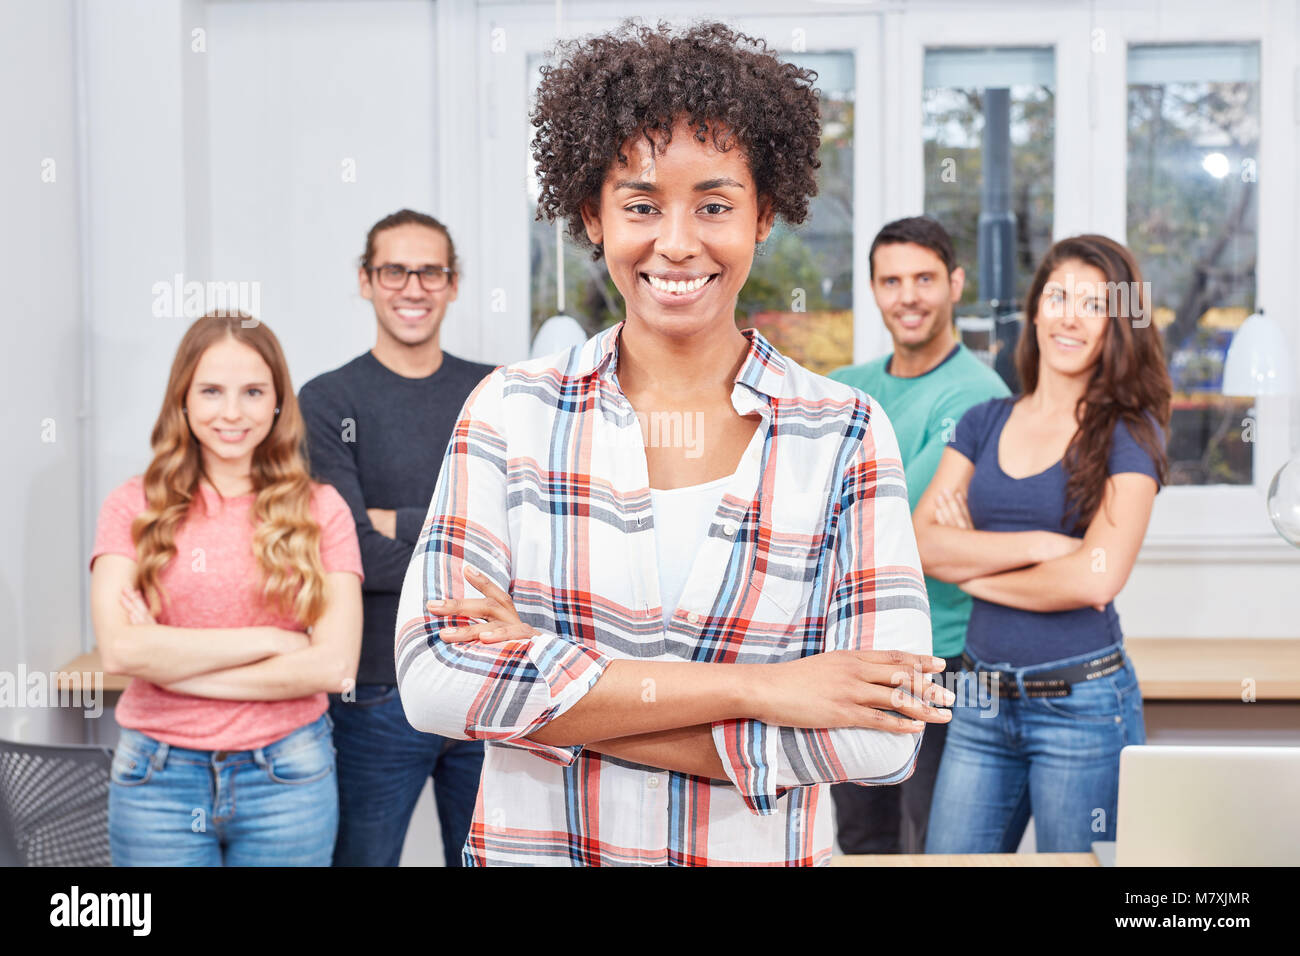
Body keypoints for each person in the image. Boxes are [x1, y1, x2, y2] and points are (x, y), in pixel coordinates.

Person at [393, 20, 953, 867]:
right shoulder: (510, 412)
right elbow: (435, 680)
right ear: (594, 214)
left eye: (716, 205)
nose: (678, 241)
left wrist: (550, 709)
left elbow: (884, 735)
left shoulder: (842, 433)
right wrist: (766, 689)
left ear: (765, 215)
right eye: (643, 204)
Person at [915, 234, 1171, 853]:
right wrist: (1045, 544)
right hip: (977, 700)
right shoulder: (984, 422)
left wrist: (971, 569)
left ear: (1115, 325)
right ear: (1035, 310)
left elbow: (1095, 579)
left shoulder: (1129, 433)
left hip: (1081, 704)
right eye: (1058, 295)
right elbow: (923, 542)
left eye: (1092, 303)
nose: (1069, 315)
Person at [90, 313, 363, 866]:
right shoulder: (131, 506)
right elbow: (120, 651)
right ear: (182, 400)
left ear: (278, 403)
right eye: (212, 391)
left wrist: (169, 661)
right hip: (156, 780)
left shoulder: (321, 508)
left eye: (253, 392)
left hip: (288, 775)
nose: (232, 412)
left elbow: (334, 668)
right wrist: (273, 639)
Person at [298, 210, 495, 867]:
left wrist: (395, 521)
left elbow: (513, 552)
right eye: (394, 271)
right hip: (376, 692)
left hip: (486, 683)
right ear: (365, 280)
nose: (413, 287)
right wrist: (450, 540)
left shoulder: (492, 394)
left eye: (430, 271)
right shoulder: (327, 401)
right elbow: (349, 556)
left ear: (454, 283)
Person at [827, 216, 1010, 855]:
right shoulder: (848, 388)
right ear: (875, 290)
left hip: (940, 658)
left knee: (933, 840)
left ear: (955, 284)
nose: (909, 296)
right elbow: (797, 516)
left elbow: (898, 527)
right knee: (862, 837)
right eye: (892, 281)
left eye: (925, 278)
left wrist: (846, 510)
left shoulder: (980, 395)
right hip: (850, 650)